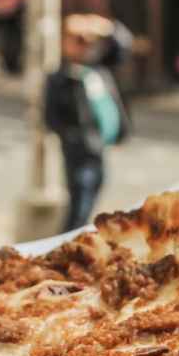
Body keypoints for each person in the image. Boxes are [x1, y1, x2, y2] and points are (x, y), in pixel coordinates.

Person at [45, 17, 130, 233]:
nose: (85, 44)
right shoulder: (61, 77)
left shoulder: (98, 68)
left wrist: (105, 26)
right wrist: (76, 140)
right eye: (77, 39)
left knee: (93, 195)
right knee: (80, 206)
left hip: (100, 148)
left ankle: (72, 240)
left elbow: (123, 46)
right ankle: (66, 245)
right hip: (80, 152)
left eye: (87, 40)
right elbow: (52, 118)